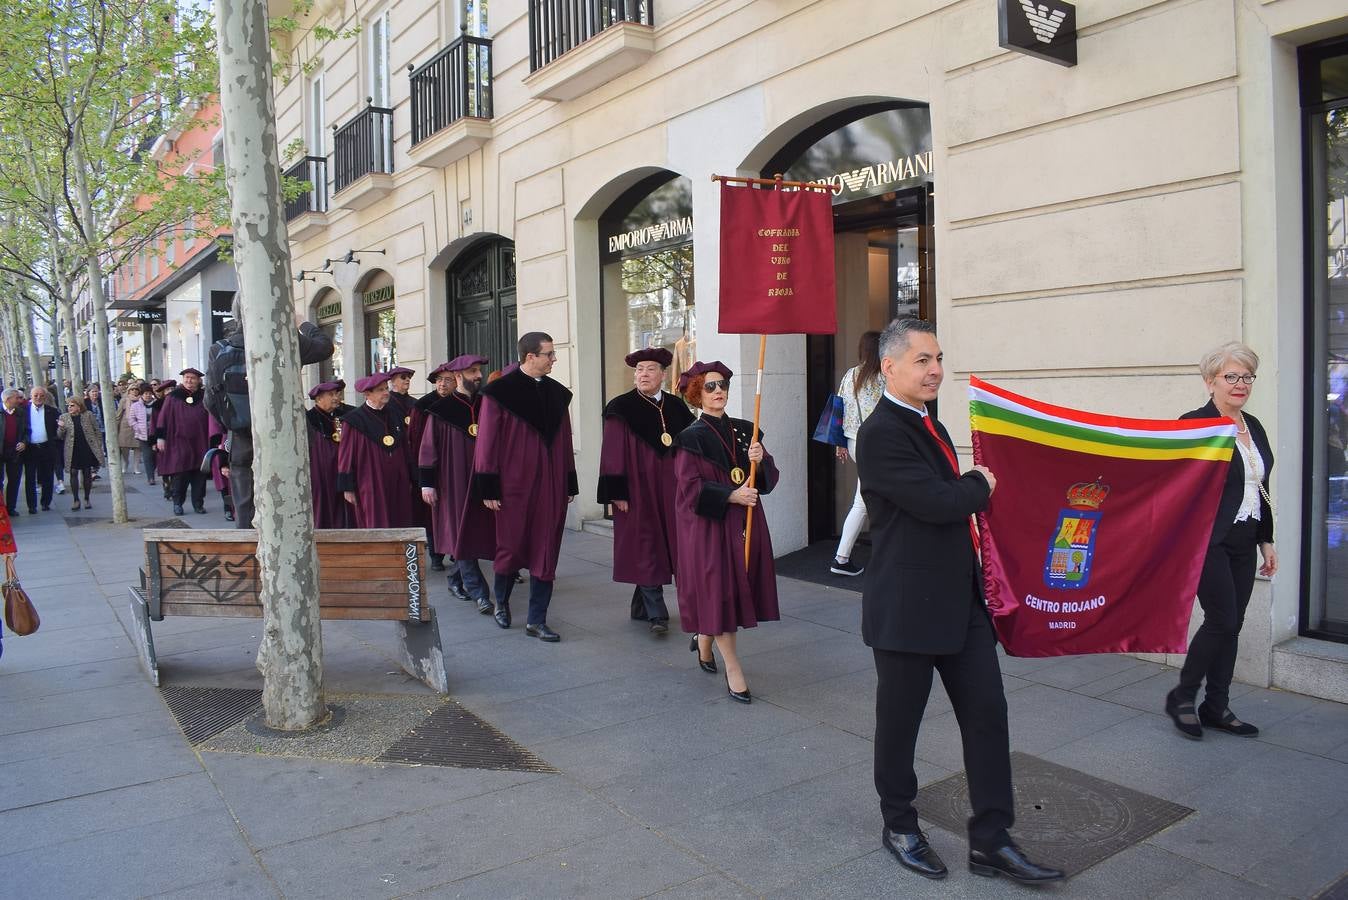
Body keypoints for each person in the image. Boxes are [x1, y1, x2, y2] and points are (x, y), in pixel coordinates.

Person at [856, 317, 1061, 884]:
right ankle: (899, 824)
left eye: (939, 358)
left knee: (988, 719)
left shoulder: (931, 424)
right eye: (922, 360)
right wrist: (979, 486)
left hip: (961, 604)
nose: (936, 370)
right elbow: (937, 502)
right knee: (900, 727)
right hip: (906, 608)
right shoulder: (881, 433)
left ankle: (992, 839)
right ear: (890, 366)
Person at [1165, 342, 1277, 740]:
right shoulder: (1195, 423)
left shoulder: (1254, 426)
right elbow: (1176, 485)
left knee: (1233, 625)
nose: (1240, 384)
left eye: (1247, 376)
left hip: (1245, 537)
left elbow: (1260, 485)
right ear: (1210, 380)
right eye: (1231, 376)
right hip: (1207, 540)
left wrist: (1266, 540)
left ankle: (1216, 707)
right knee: (1222, 619)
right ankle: (1182, 697)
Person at [673, 361, 779, 702]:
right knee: (718, 592)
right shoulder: (690, 439)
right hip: (710, 527)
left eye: (722, 386)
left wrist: (760, 461)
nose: (719, 392)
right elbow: (689, 489)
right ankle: (733, 669)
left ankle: (704, 641)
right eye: (710, 387)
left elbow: (769, 478)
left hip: (744, 524)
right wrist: (731, 494)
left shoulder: (747, 430)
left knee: (729, 593)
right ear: (697, 394)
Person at [473, 332, 578, 642]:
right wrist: (488, 487)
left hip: (550, 486)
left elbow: (565, 442)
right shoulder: (499, 393)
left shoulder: (558, 394)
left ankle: (537, 619)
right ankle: (502, 603)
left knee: (546, 551)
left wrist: (568, 482)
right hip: (512, 486)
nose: (554, 359)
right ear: (530, 356)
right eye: (549, 354)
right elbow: (487, 443)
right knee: (510, 546)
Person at [206, 303, 335, 528]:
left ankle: (249, 548)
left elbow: (210, 401)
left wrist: (234, 423)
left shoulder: (220, 348)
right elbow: (325, 348)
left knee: (245, 505)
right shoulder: (285, 340)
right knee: (290, 497)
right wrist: (301, 323)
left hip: (242, 436)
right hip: (288, 433)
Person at [597, 348, 696, 634]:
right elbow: (612, 453)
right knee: (646, 544)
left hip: (671, 490)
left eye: (650, 369)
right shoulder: (621, 407)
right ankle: (657, 614)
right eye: (639, 369)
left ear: (663, 375)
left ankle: (640, 606)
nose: (643, 374)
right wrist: (617, 492)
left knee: (667, 545)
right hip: (637, 489)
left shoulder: (677, 408)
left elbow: (690, 447)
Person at [419, 355, 497, 614]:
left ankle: (455, 579)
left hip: (483, 479)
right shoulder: (441, 411)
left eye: (479, 371)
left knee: (472, 532)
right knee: (461, 532)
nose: (478, 375)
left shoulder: (488, 404)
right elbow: (428, 448)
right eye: (473, 371)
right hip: (452, 481)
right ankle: (480, 594)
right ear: (458, 376)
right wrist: (427, 484)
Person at [832, 330, 884, 577]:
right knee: (865, 502)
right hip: (877, 445)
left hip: (854, 444)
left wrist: (840, 442)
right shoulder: (884, 376)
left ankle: (842, 558)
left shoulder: (850, 375)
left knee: (868, 499)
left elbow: (839, 409)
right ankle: (841, 559)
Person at [337, 372, 416, 528]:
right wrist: (347, 488)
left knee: (402, 522)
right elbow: (346, 456)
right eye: (380, 390)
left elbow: (405, 448)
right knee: (376, 522)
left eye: (386, 388)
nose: (386, 392)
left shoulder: (394, 415)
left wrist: (413, 476)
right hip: (371, 481)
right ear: (368, 394)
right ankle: (380, 553)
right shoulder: (354, 420)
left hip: (398, 481)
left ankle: (403, 553)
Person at [155, 368, 211, 516]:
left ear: (198, 380)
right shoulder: (173, 397)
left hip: (200, 442)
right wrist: (160, 437)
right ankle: (177, 504)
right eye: (187, 378)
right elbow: (163, 417)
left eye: (192, 378)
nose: (189, 380)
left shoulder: (204, 397)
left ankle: (198, 504)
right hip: (178, 442)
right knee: (180, 475)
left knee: (200, 475)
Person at [306, 380, 350, 529]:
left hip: (342, 471)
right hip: (320, 474)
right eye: (331, 394)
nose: (336, 397)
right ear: (318, 399)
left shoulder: (344, 415)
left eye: (337, 394)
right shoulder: (308, 419)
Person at [57, 397, 104, 510]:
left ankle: (87, 498)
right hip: (72, 448)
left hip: (86, 447)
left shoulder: (88, 415)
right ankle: (76, 499)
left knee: (86, 472)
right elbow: (59, 436)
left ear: (79, 406)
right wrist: (61, 427)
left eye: (72, 405)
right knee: (73, 472)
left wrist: (98, 444)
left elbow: (96, 430)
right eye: (68, 405)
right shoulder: (64, 417)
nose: (70, 408)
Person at [22, 386, 60, 514]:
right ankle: (31, 506)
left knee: (48, 477)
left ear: (45, 397)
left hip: (47, 448)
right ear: (30, 397)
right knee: (30, 478)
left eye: (41, 396)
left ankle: (46, 503)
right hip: (30, 449)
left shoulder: (53, 411)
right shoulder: (23, 411)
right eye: (35, 395)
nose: (38, 398)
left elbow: (58, 431)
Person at [1, 388, 29, 515]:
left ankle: (10, 508)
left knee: (14, 480)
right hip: (1, 451)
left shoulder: (20, 412)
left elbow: (26, 431)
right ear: (8, 400)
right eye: (16, 398)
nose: (19, 400)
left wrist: (24, 442)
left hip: (15, 452)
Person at [131, 382, 157, 485]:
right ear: (141, 394)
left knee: (155, 456)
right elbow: (131, 419)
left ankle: (153, 469)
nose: (147, 395)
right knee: (147, 455)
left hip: (154, 434)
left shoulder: (156, 404)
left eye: (149, 393)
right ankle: (150, 477)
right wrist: (137, 427)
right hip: (143, 434)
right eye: (145, 393)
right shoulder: (136, 405)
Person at [153, 380, 175, 500]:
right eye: (167, 390)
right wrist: (154, 440)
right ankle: (167, 486)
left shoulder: (178, 402)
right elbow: (154, 423)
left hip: (175, 438)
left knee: (175, 463)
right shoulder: (158, 405)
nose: (170, 392)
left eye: (172, 389)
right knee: (164, 464)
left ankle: (174, 487)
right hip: (162, 438)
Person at [115, 384, 142, 475]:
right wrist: (116, 427)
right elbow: (118, 414)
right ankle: (125, 462)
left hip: (138, 425)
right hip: (125, 426)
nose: (134, 391)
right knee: (124, 447)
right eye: (132, 389)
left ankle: (136, 467)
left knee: (137, 447)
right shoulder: (124, 400)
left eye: (136, 389)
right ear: (129, 390)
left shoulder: (141, 400)